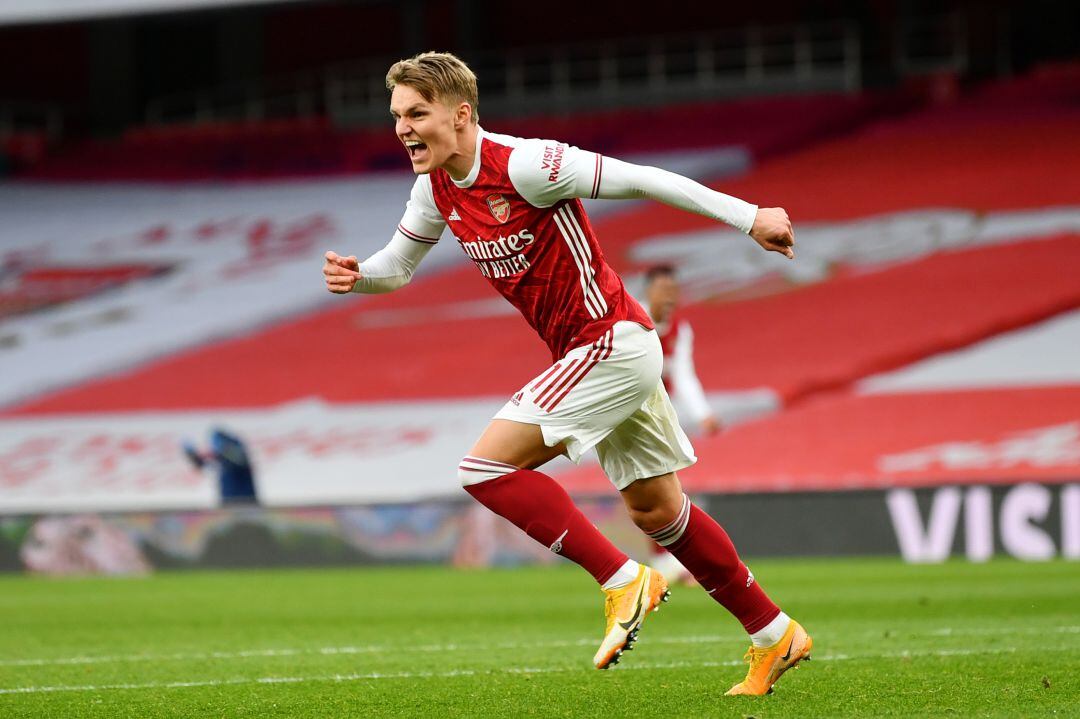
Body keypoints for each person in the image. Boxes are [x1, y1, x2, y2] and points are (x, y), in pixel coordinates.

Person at [322, 52, 810, 695]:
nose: (402, 129)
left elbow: (645, 180)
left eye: (417, 113)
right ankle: (775, 635)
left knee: (484, 468)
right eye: (396, 116)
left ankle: (623, 580)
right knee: (658, 511)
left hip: (611, 343)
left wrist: (751, 217)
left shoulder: (528, 165)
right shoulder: (435, 185)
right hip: (597, 353)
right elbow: (400, 265)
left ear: (461, 114)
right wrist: (362, 277)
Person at [641, 264, 720, 586]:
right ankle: (668, 562)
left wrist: (703, 413)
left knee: (657, 486)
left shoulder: (680, 329)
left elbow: (683, 374)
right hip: (626, 413)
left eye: (674, 291)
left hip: (658, 416)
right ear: (647, 292)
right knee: (654, 486)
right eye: (663, 290)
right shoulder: (628, 319)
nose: (669, 297)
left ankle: (666, 562)